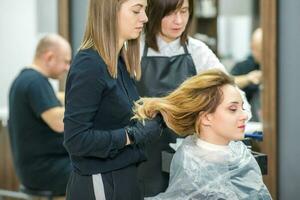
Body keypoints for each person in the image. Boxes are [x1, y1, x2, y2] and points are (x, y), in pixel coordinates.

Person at [63, 0, 163, 200]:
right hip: (100, 183)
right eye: (136, 10)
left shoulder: (119, 62)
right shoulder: (89, 64)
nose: (144, 18)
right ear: (110, 11)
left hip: (125, 178)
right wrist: (132, 135)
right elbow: (75, 140)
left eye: (144, 10)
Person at [133, 69, 272, 200]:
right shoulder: (192, 164)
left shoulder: (241, 155)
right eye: (233, 109)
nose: (245, 116)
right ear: (206, 118)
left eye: (242, 108)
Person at [135, 0, 226, 196]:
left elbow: (227, 93)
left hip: (188, 152)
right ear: (152, 13)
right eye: (169, 13)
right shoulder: (132, 50)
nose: (178, 21)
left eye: (184, 11)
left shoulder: (198, 51)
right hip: (142, 152)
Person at [8, 34, 72, 196]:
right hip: (46, 170)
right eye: (65, 61)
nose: (67, 68)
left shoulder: (24, 80)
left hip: (34, 170)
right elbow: (59, 123)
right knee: (97, 171)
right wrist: (88, 106)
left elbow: (57, 98)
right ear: (49, 57)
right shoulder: (36, 82)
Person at [231, 28, 263, 121]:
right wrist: (248, 78)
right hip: (247, 119)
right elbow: (228, 84)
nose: (263, 54)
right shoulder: (243, 66)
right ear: (252, 47)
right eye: (260, 49)